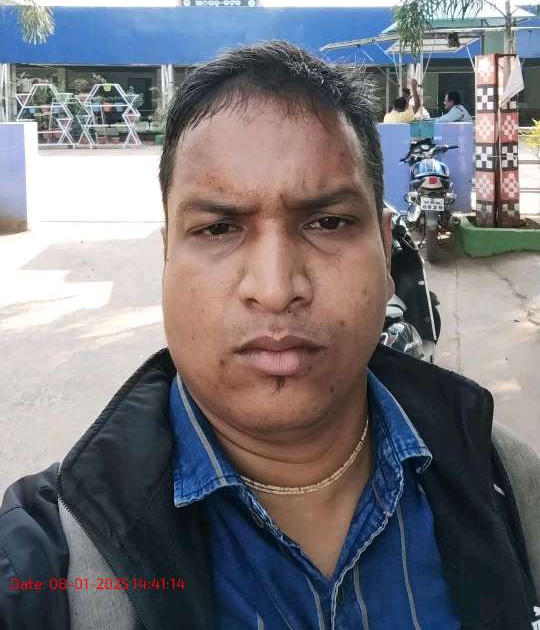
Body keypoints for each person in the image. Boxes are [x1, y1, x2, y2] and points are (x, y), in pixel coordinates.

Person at [1, 40, 539, 630]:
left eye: (327, 222)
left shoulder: (506, 484)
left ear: (386, 250)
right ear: (167, 256)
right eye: (218, 228)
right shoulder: (48, 560)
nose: (277, 289)